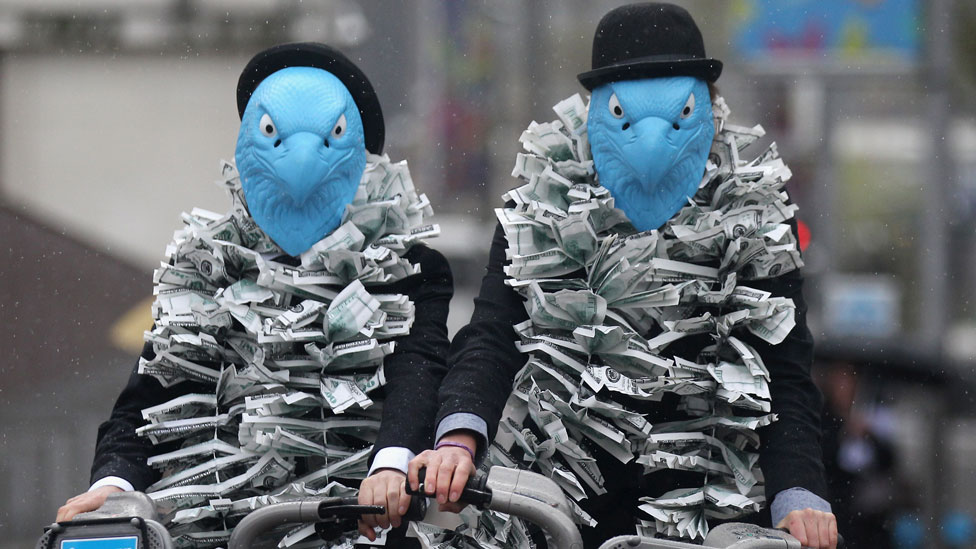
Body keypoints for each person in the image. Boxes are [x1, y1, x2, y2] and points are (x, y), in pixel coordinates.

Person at [408, 4, 838, 548]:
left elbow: (783, 372)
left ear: (708, 108)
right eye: (624, 115)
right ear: (592, 111)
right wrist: (459, 438)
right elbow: (494, 334)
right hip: (554, 502)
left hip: (702, 508)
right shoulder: (538, 208)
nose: (651, 143)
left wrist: (800, 496)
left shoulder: (757, 215)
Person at [56, 42, 451, 546]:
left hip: (354, 522)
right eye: (273, 133)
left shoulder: (409, 269)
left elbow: (418, 368)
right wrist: (114, 486)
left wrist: (392, 463)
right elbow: (149, 399)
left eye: (330, 135)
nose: (301, 157)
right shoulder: (203, 269)